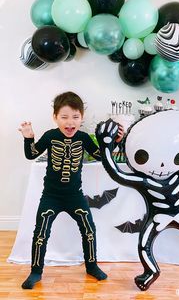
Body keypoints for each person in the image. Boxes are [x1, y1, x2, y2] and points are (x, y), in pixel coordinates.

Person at [18, 91, 124, 289]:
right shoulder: (50, 136)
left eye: (75, 117)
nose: (70, 122)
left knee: (89, 230)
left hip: (75, 196)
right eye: (64, 117)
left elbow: (101, 156)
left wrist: (115, 142)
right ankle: (36, 271)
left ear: (81, 118)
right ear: (55, 117)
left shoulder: (83, 138)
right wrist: (28, 138)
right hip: (51, 197)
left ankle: (92, 266)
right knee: (40, 233)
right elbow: (31, 154)